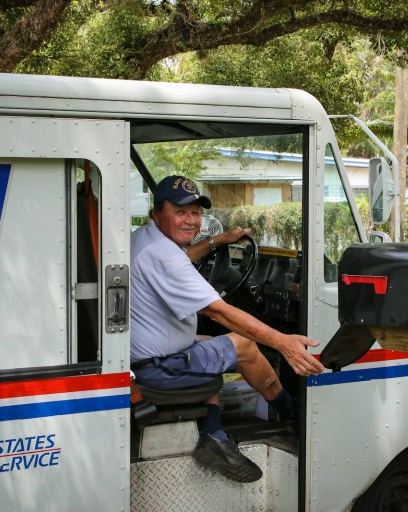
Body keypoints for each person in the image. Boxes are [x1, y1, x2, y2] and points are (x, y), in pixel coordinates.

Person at [130, 175, 324, 483]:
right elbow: (218, 311)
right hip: (157, 369)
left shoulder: (145, 237)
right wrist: (283, 342)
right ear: (157, 213)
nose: (190, 220)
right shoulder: (164, 257)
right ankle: (291, 416)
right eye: (180, 212)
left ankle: (213, 430)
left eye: (195, 213)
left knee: (211, 343)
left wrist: (218, 241)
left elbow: (184, 257)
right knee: (242, 345)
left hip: (143, 353)